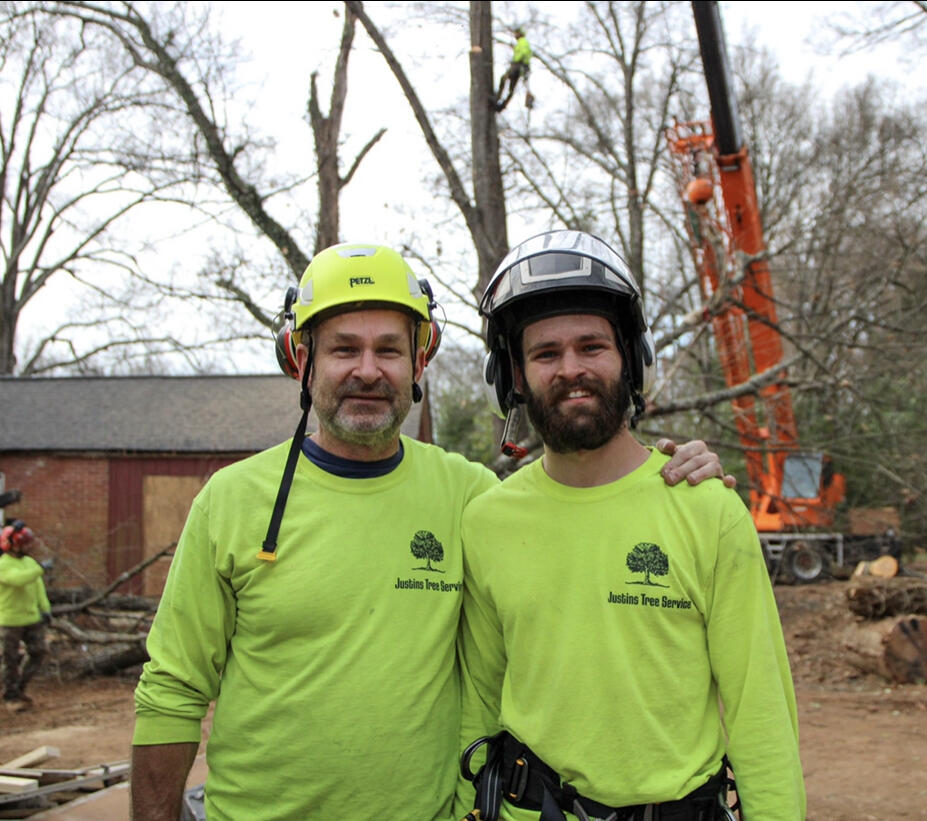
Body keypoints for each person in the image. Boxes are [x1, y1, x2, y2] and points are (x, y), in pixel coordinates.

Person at [130, 242, 733, 821]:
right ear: (301, 358)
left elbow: (579, 511)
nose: (368, 371)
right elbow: (173, 691)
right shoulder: (231, 502)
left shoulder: (471, 498)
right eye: (344, 349)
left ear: (420, 360)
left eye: (389, 350)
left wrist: (668, 474)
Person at [457, 230, 805, 821]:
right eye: (545, 354)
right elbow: (478, 703)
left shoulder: (706, 509)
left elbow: (760, 710)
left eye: (592, 346)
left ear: (632, 359)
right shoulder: (487, 520)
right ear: (512, 377)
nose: (571, 369)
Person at [0, 520, 51, 713]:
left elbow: (38, 588)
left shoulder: (29, 563)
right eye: (23, 543)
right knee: (10, 659)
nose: (27, 547)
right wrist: (40, 569)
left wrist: (45, 609)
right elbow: (18, 580)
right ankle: (11, 696)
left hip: (31, 618)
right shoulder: (3, 565)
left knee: (39, 652)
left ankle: (19, 687)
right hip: (9, 621)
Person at [494, 27, 533, 112]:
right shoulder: (521, 43)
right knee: (511, 88)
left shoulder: (523, 42)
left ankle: (497, 98)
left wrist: (516, 60)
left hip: (518, 66)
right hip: (520, 67)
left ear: (519, 33)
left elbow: (524, 53)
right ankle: (502, 105)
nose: (515, 35)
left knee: (504, 78)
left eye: (516, 33)